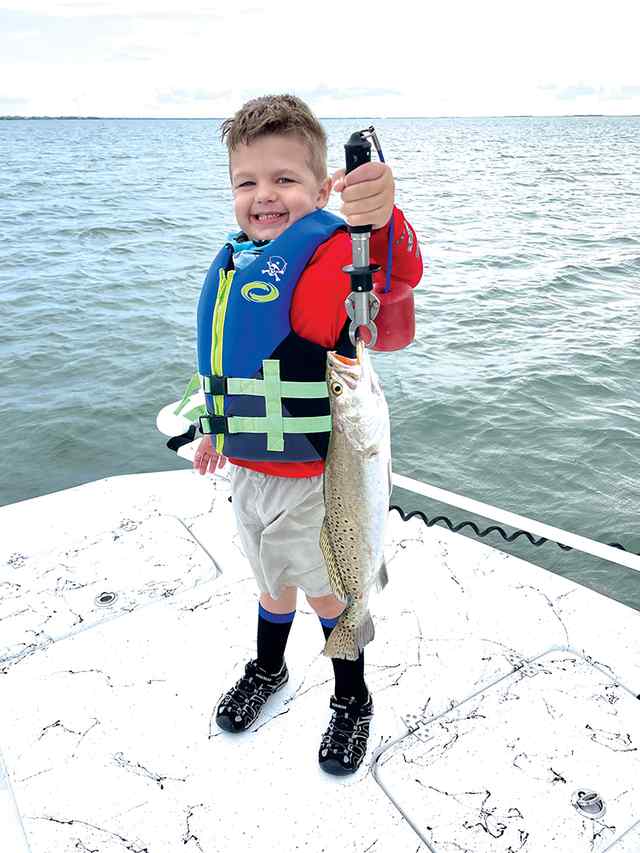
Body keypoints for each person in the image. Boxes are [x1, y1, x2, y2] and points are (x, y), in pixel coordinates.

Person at [192, 94, 423, 775]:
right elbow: (227, 359)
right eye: (248, 181)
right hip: (249, 472)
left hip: (318, 482)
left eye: (285, 180)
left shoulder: (324, 259)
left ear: (322, 188)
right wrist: (213, 427)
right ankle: (268, 669)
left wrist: (380, 222)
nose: (265, 196)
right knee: (269, 584)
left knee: (329, 593)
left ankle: (352, 699)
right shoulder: (237, 261)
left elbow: (392, 281)